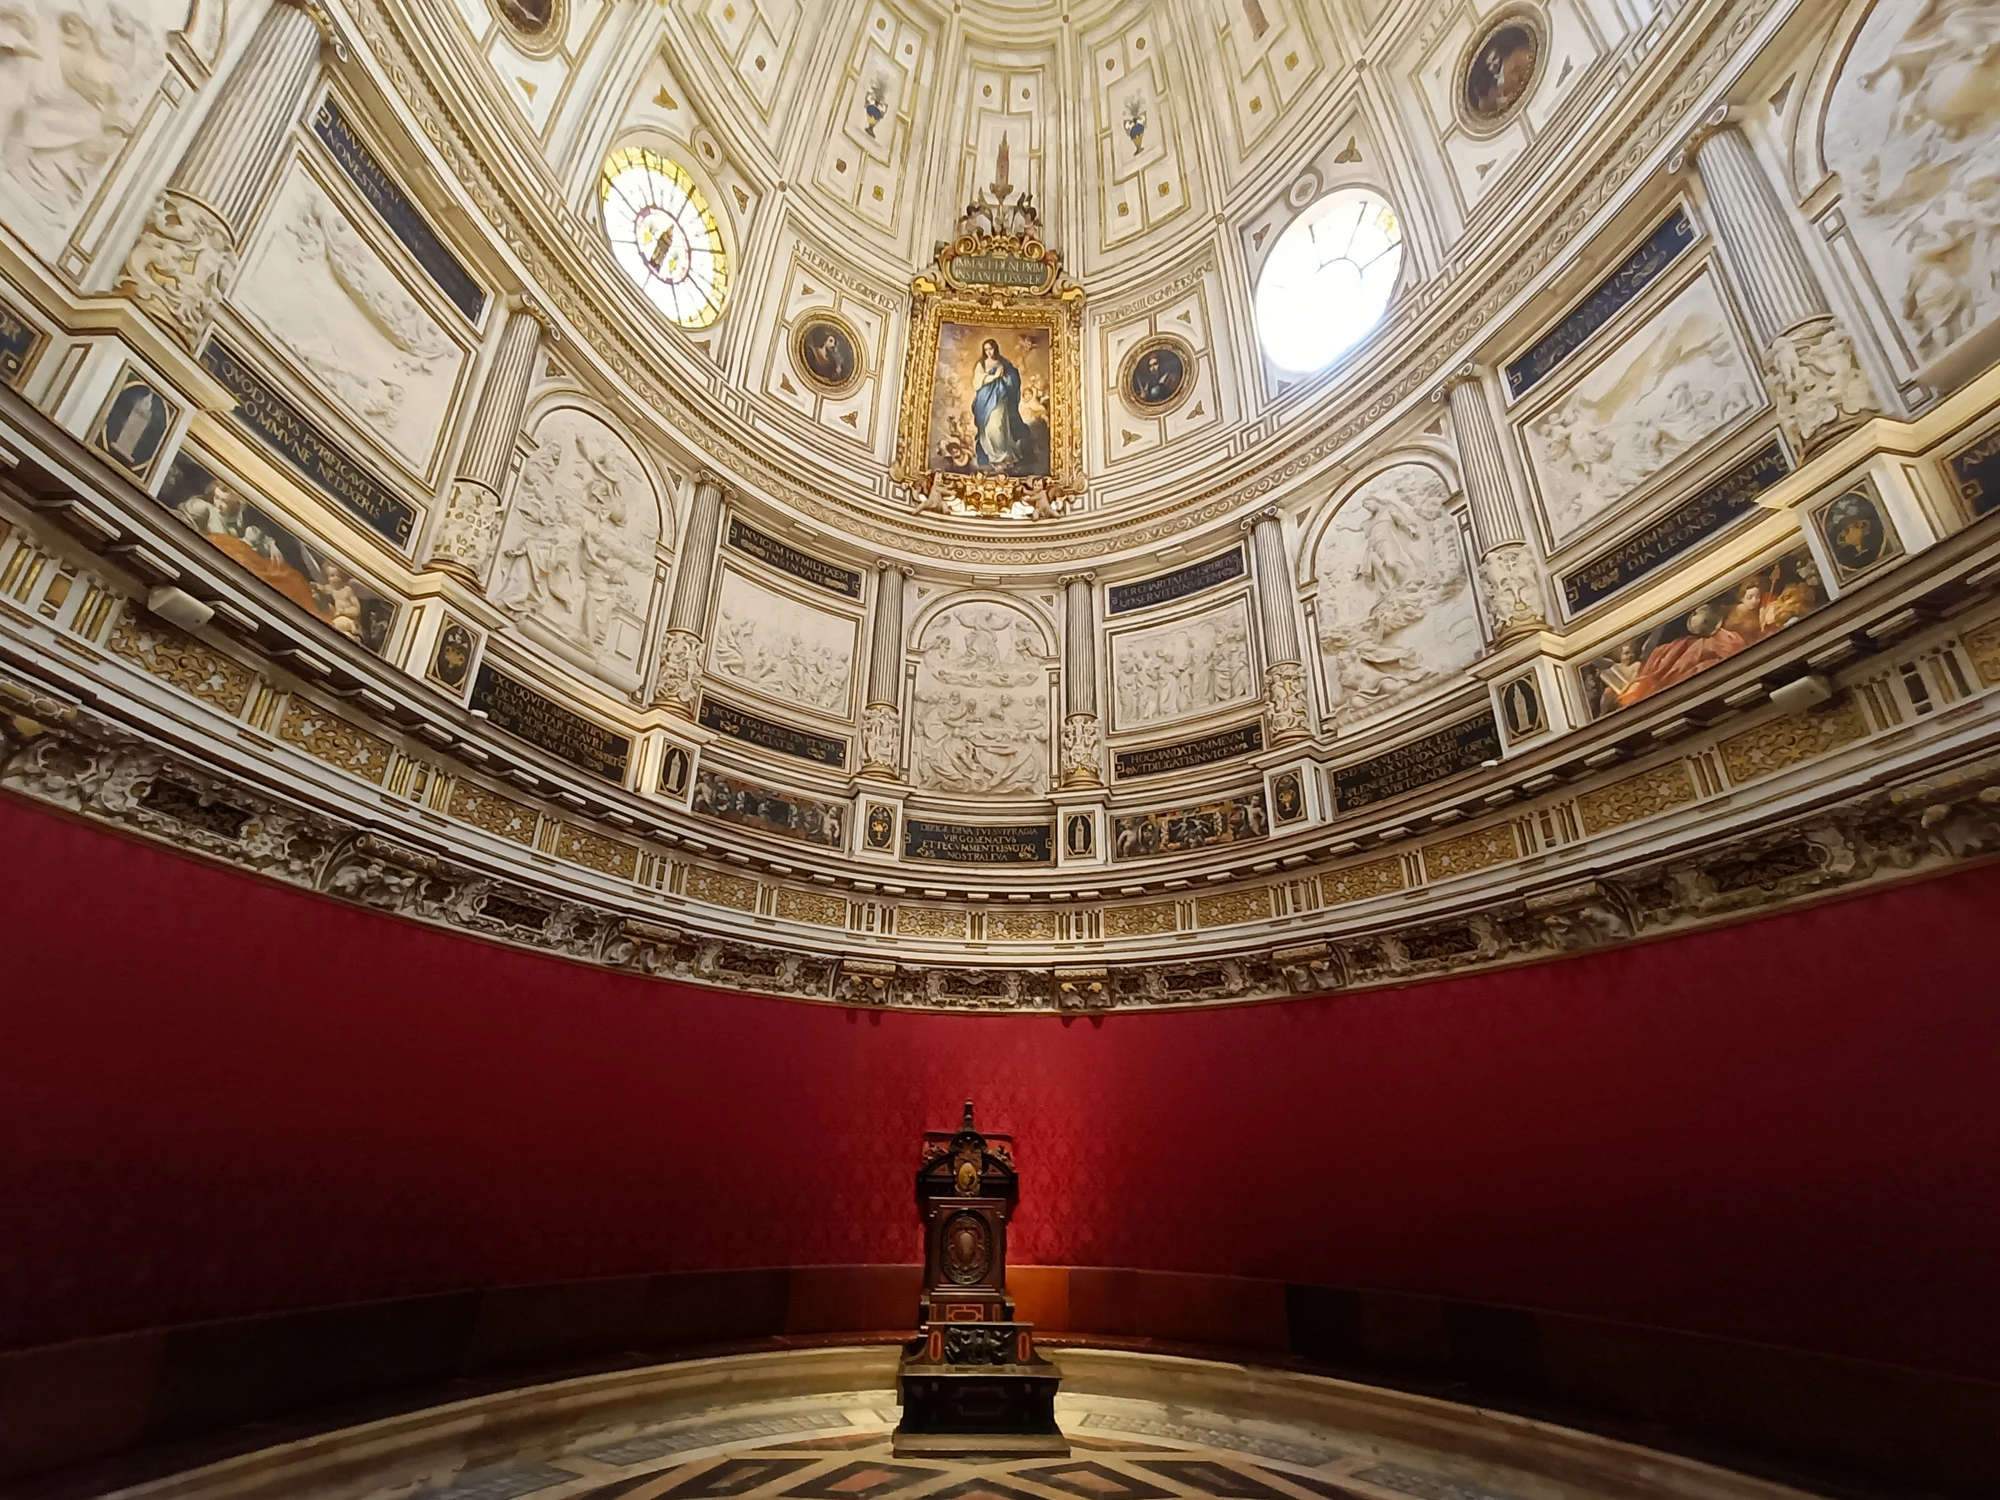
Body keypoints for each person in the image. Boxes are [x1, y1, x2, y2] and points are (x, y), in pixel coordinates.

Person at [971, 337, 1030, 472]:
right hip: (985, 400)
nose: (988, 352)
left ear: (995, 348)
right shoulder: (981, 364)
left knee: (999, 427)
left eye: (990, 349)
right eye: (986, 349)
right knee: (987, 429)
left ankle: (1003, 456)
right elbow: (977, 383)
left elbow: (1012, 379)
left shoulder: (1003, 363)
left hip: (1000, 399)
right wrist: (994, 376)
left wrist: (1005, 377)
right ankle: (993, 457)